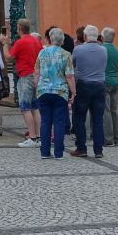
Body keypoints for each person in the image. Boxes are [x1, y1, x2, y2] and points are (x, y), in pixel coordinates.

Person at [35, 28, 76, 159]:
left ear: (50, 39)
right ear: (62, 40)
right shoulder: (66, 54)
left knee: (45, 121)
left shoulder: (42, 53)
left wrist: (38, 86)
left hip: (44, 90)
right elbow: (69, 76)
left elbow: (36, 72)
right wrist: (73, 92)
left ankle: (45, 152)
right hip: (60, 91)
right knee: (59, 122)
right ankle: (58, 153)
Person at [3, 19, 42, 147]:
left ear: (20, 28)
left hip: (25, 75)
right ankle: (38, 136)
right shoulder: (36, 41)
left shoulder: (21, 42)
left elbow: (9, 57)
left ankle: (32, 137)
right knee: (35, 108)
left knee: (25, 108)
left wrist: (4, 44)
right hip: (36, 75)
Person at [70, 26, 107, 158]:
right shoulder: (103, 50)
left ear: (85, 37)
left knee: (79, 117)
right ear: (97, 37)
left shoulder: (78, 50)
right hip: (99, 85)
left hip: (83, 84)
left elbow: (73, 65)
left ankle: (81, 148)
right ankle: (98, 150)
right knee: (97, 119)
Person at [102, 27, 118, 147]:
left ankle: (108, 139)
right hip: (115, 80)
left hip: (105, 81)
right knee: (115, 110)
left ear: (104, 37)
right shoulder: (116, 50)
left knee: (106, 110)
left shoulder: (102, 49)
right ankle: (117, 138)